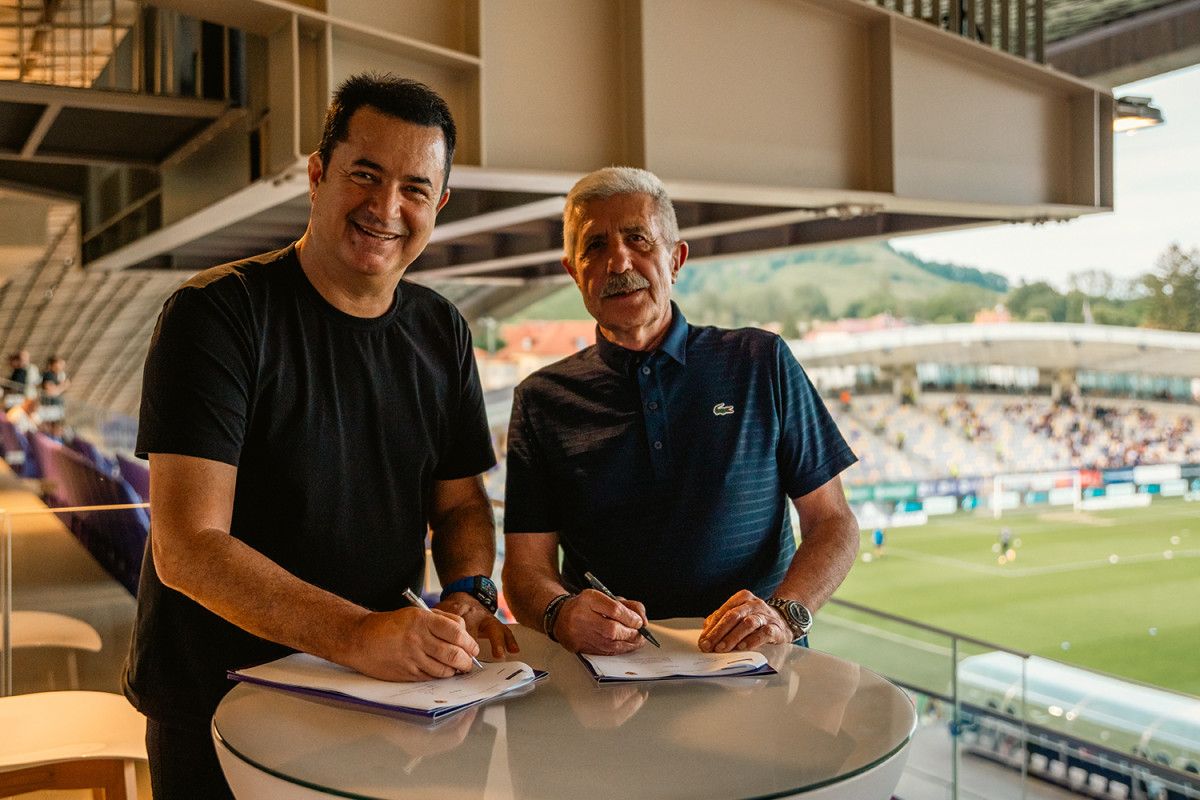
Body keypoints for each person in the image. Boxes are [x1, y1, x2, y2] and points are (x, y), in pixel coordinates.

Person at [125, 74, 515, 799]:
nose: (386, 207)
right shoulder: (217, 314)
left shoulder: (441, 330)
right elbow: (188, 546)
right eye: (365, 174)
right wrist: (361, 634)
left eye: (414, 188)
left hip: (382, 701)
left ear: (439, 205)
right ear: (317, 174)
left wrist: (469, 591)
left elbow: (462, 503)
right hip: (218, 701)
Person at [502, 167, 859, 657]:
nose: (618, 261)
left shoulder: (760, 362)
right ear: (574, 273)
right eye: (595, 246)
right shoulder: (542, 400)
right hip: (612, 674)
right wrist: (559, 612)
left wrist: (784, 614)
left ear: (676, 259)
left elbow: (834, 522)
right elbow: (524, 570)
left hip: (756, 664)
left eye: (638, 239)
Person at [39, 356, 70, 422]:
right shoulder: (49, 375)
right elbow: (50, 392)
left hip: (56, 406)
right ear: (54, 364)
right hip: (49, 407)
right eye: (60, 364)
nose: (62, 366)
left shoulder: (58, 376)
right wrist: (63, 386)